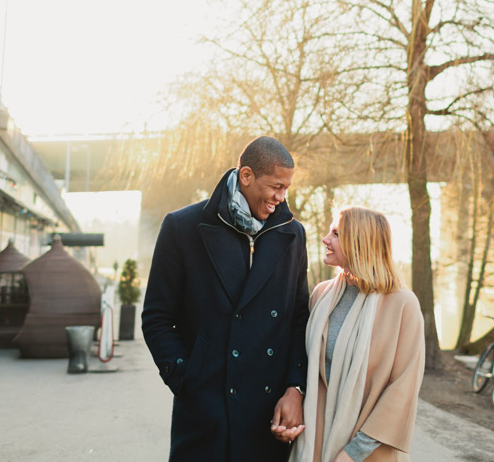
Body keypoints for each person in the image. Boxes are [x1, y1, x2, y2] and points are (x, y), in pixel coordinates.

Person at [142, 136, 310, 461]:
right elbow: (157, 317)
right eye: (276, 186)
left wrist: (295, 388)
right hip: (206, 411)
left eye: (286, 188)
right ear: (246, 176)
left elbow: (298, 318)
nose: (281, 197)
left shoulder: (292, 234)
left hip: (268, 412)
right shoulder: (183, 227)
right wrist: (186, 379)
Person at [291, 207, 425, 462]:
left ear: (359, 242)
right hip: (316, 442)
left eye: (336, 233)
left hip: (366, 451)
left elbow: (402, 390)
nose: (325, 239)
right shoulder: (321, 295)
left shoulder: (402, 304)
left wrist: (353, 453)